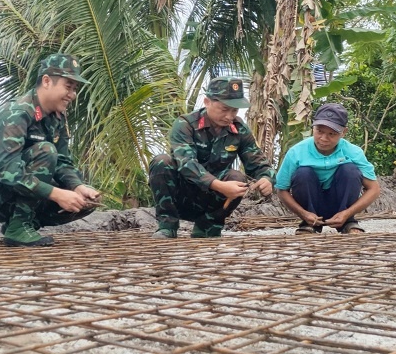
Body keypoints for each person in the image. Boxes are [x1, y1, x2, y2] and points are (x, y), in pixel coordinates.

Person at [0, 54, 102, 247]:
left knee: (88, 200)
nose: (72, 94)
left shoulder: (57, 118)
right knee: (46, 150)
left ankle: (22, 224)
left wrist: (77, 187)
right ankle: (18, 227)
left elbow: (63, 161)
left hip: (17, 191)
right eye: (68, 86)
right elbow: (8, 173)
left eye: (75, 89)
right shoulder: (17, 114)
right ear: (47, 81)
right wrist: (57, 194)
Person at [149, 77, 274, 239]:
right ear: (207, 102)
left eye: (234, 111)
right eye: (224, 109)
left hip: (210, 203)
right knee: (161, 161)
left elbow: (259, 164)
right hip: (180, 196)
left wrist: (266, 179)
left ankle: (207, 228)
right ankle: (167, 227)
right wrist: (220, 185)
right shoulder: (185, 124)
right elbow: (186, 164)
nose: (229, 116)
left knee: (238, 177)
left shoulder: (239, 129)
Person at [275, 102, 381, 234]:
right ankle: (309, 224)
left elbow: (374, 189)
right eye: (319, 131)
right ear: (313, 127)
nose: (324, 138)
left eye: (332, 134)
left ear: (344, 132)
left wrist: (347, 213)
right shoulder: (296, 152)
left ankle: (348, 222)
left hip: (341, 206)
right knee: (303, 173)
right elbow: (282, 190)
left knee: (350, 170)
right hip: (309, 209)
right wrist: (303, 213)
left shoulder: (353, 152)